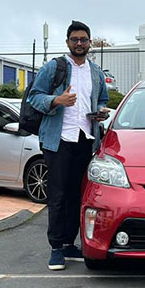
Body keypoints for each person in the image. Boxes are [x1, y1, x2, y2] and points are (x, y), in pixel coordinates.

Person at [28, 20, 109, 271]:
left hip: (85, 139)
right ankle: (55, 247)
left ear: (90, 42)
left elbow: (102, 98)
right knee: (58, 194)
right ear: (67, 42)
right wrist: (57, 100)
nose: (79, 43)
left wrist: (100, 112)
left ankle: (69, 243)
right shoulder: (54, 67)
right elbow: (34, 97)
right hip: (59, 139)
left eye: (83, 39)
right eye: (75, 39)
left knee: (77, 194)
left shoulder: (95, 71)